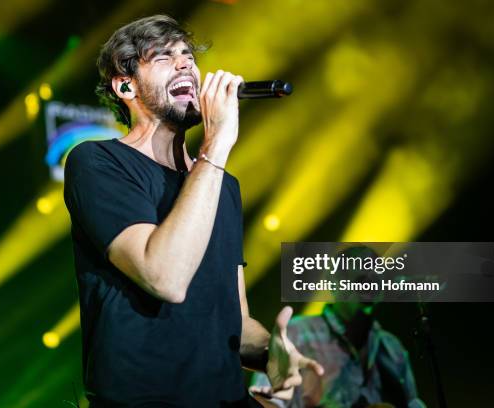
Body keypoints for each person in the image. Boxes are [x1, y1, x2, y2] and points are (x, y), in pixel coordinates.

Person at [63, 15, 323, 407]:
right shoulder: (97, 162)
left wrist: (276, 357)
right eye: (165, 58)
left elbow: (233, 320)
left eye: (188, 56)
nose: (186, 64)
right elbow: (164, 276)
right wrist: (216, 145)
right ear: (125, 85)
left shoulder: (222, 185)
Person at [249, 245, 426, 408]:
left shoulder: (392, 348)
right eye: (362, 279)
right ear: (334, 283)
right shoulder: (297, 334)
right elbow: (262, 401)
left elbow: (412, 402)